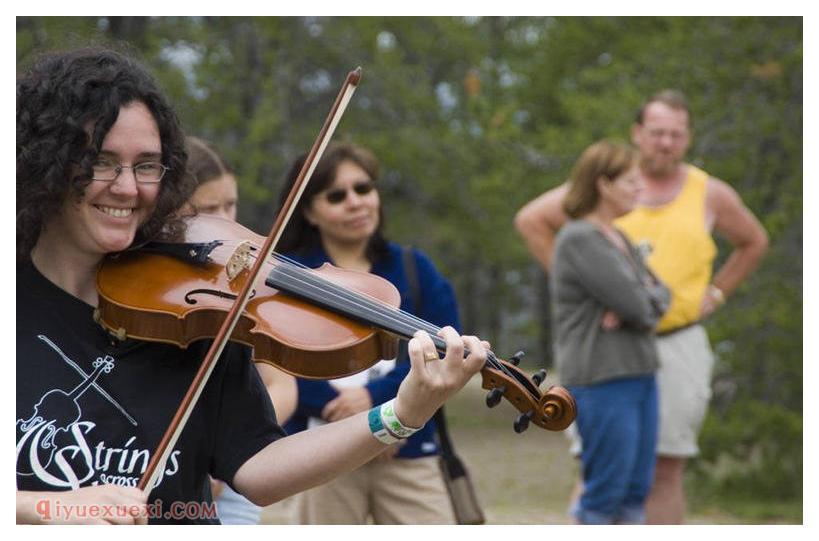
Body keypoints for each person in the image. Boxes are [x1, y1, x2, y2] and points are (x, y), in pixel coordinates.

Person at [16, 47, 488, 525]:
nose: (128, 187)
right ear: (46, 161)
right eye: (101, 162)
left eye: (146, 165)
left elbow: (258, 466)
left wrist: (400, 412)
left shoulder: (192, 303)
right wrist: (42, 508)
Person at [514, 90, 769, 524]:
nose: (666, 143)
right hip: (606, 355)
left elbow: (752, 242)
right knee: (602, 478)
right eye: (657, 133)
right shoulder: (605, 191)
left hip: (674, 345)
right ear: (638, 134)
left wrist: (715, 294)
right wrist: (592, 287)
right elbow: (532, 220)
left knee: (662, 471)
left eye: (676, 134)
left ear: (687, 137)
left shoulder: (707, 191)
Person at [273, 142, 461, 524]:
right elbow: (275, 361)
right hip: (321, 453)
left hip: (408, 448)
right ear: (309, 211)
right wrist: (345, 417)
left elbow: (443, 348)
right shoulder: (287, 274)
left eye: (364, 188)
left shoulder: (414, 268)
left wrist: (379, 409)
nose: (356, 202)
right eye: (337, 195)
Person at [551, 140, 669, 524]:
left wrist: (638, 301)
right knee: (605, 494)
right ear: (603, 184)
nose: (640, 188)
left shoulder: (618, 236)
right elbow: (641, 306)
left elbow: (661, 296)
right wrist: (638, 302)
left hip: (638, 372)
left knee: (635, 492)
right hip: (602, 378)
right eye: (631, 180)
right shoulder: (580, 237)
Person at [184, 135, 298, 524]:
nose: (226, 220)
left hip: (234, 476)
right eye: (207, 209)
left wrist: (226, 452)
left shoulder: (248, 278)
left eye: (230, 204)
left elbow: (282, 386)